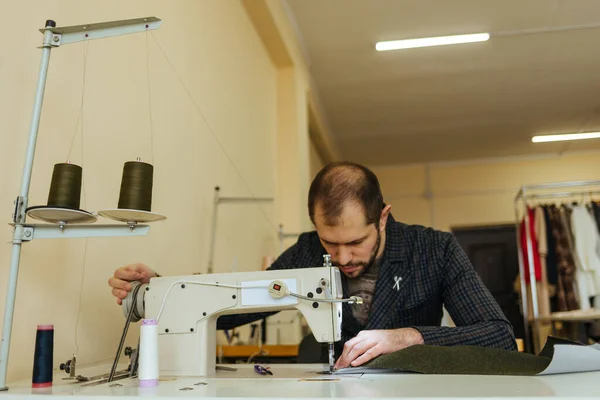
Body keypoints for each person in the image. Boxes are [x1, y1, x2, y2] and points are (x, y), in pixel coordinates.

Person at [108, 161, 517, 369]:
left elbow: (498, 337)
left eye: (356, 242)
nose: (342, 259)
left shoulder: (435, 250)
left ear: (384, 218)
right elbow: (233, 310)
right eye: (330, 243)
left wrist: (409, 336)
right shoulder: (306, 253)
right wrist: (161, 290)